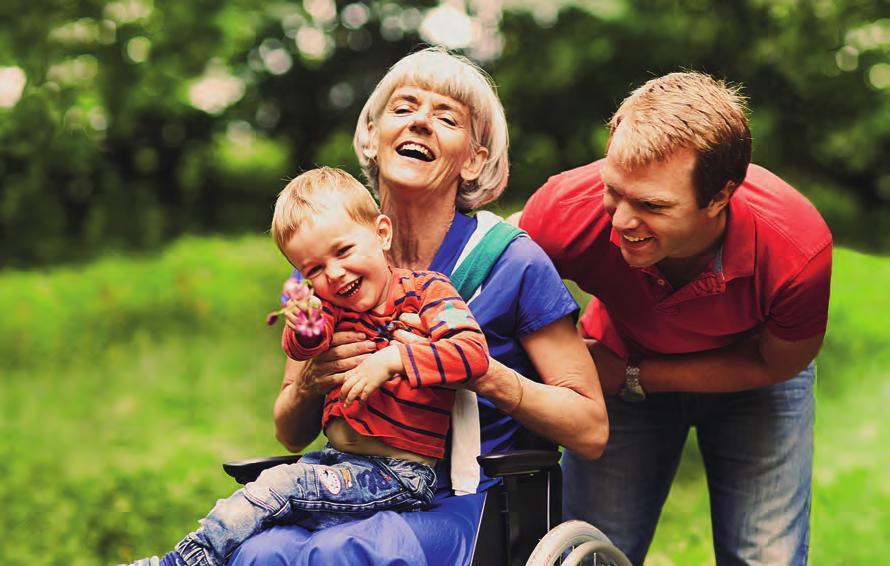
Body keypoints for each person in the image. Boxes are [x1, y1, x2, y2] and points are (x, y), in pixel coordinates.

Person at [227, 47, 609, 565]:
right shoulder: (325, 267)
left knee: (346, 553)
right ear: (371, 136)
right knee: (261, 552)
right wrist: (310, 382)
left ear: (475, 158)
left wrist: (480, 372)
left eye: (446, 117)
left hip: (469, 499)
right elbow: (291, 434)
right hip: (345, 484)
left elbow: (590, 429)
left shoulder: (511, 262)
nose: (421, 123)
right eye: (404, 108)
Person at [517, 71, 832, 565]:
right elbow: (502, 298)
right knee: (589, 551)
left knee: (764, 556)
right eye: (613, 191)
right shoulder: (561, 214)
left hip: (755, 379)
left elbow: (780, 362)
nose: (620, 221)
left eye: (651, 206)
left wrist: (636, 376)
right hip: (619, 358)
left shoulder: (797, 252)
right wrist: (575, 363)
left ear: (719, 197)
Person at [129, 167, 492, 566]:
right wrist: (305, 325)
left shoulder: (427, 291)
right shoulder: (334, 306)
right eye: (313, 269)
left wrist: (393, 359)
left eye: (343, 251)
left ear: (382, 233)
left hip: (399, 474)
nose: (334, 274)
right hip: (334, 462)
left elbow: (471, 353)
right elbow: (307, 347)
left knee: (278, 486)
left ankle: (182, 563)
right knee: (259, 512)